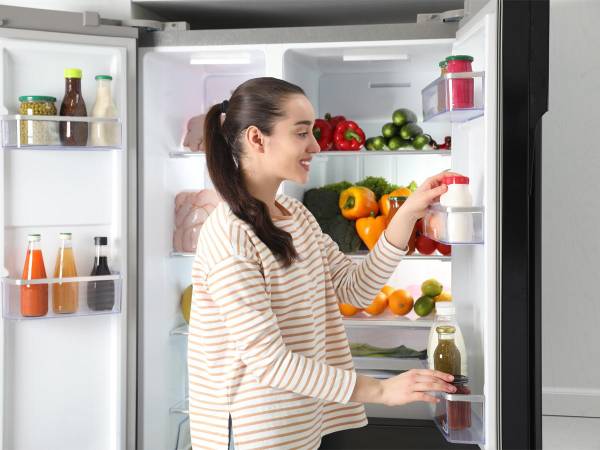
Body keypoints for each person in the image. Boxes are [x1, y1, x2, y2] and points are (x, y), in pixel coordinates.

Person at [188, 77, 458, 450]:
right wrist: (380, 389)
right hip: (252, 432)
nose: (315, 145)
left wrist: (407, 213)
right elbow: (269, 361)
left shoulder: (295, 215)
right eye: (301, 133)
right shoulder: (229, 235)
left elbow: (356, 288)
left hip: (299, 422)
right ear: (256, 138)